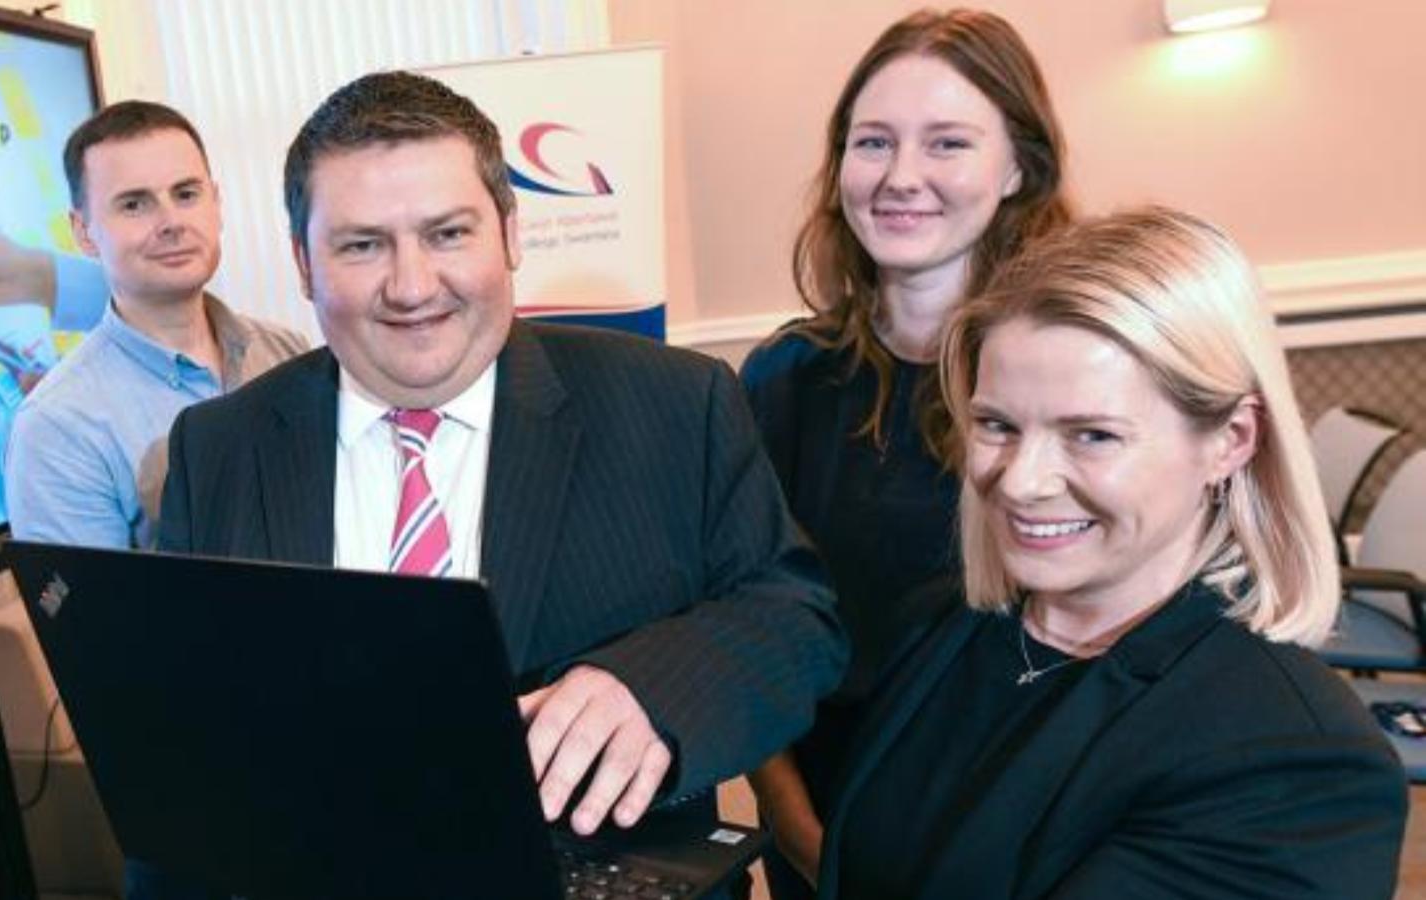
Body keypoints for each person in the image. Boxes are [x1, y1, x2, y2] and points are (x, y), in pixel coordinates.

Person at [158, 70, 844, 853]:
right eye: (361, 245)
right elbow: (188, 738)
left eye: (448, 233)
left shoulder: (675, 405)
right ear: (304, 263)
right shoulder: (219, 447)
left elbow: (795, 621)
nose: (412, 286)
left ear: (511, 233)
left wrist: (651, 689)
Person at [815, 207, 1406, 899]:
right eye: (997, 425)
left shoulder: (1294, 766)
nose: (1021, 481)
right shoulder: (943, 622)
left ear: (1231, 440)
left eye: (1091, 435)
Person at [737, 10, 1073, 891]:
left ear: (1018, 169)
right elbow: (738, 612)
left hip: (1018, 825)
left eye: (948, 143)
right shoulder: (784, 378)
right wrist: (794, 823)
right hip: (818, 819)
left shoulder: (1076, 379)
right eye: (873, 142)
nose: (900, 177)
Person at [0, 100, 307, 550]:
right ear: (82, 231)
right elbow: (98, 620)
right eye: (135, 204)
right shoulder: (57, 429)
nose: (171, 222)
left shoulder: (287, 352)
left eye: (186, 194)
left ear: (216, 203)